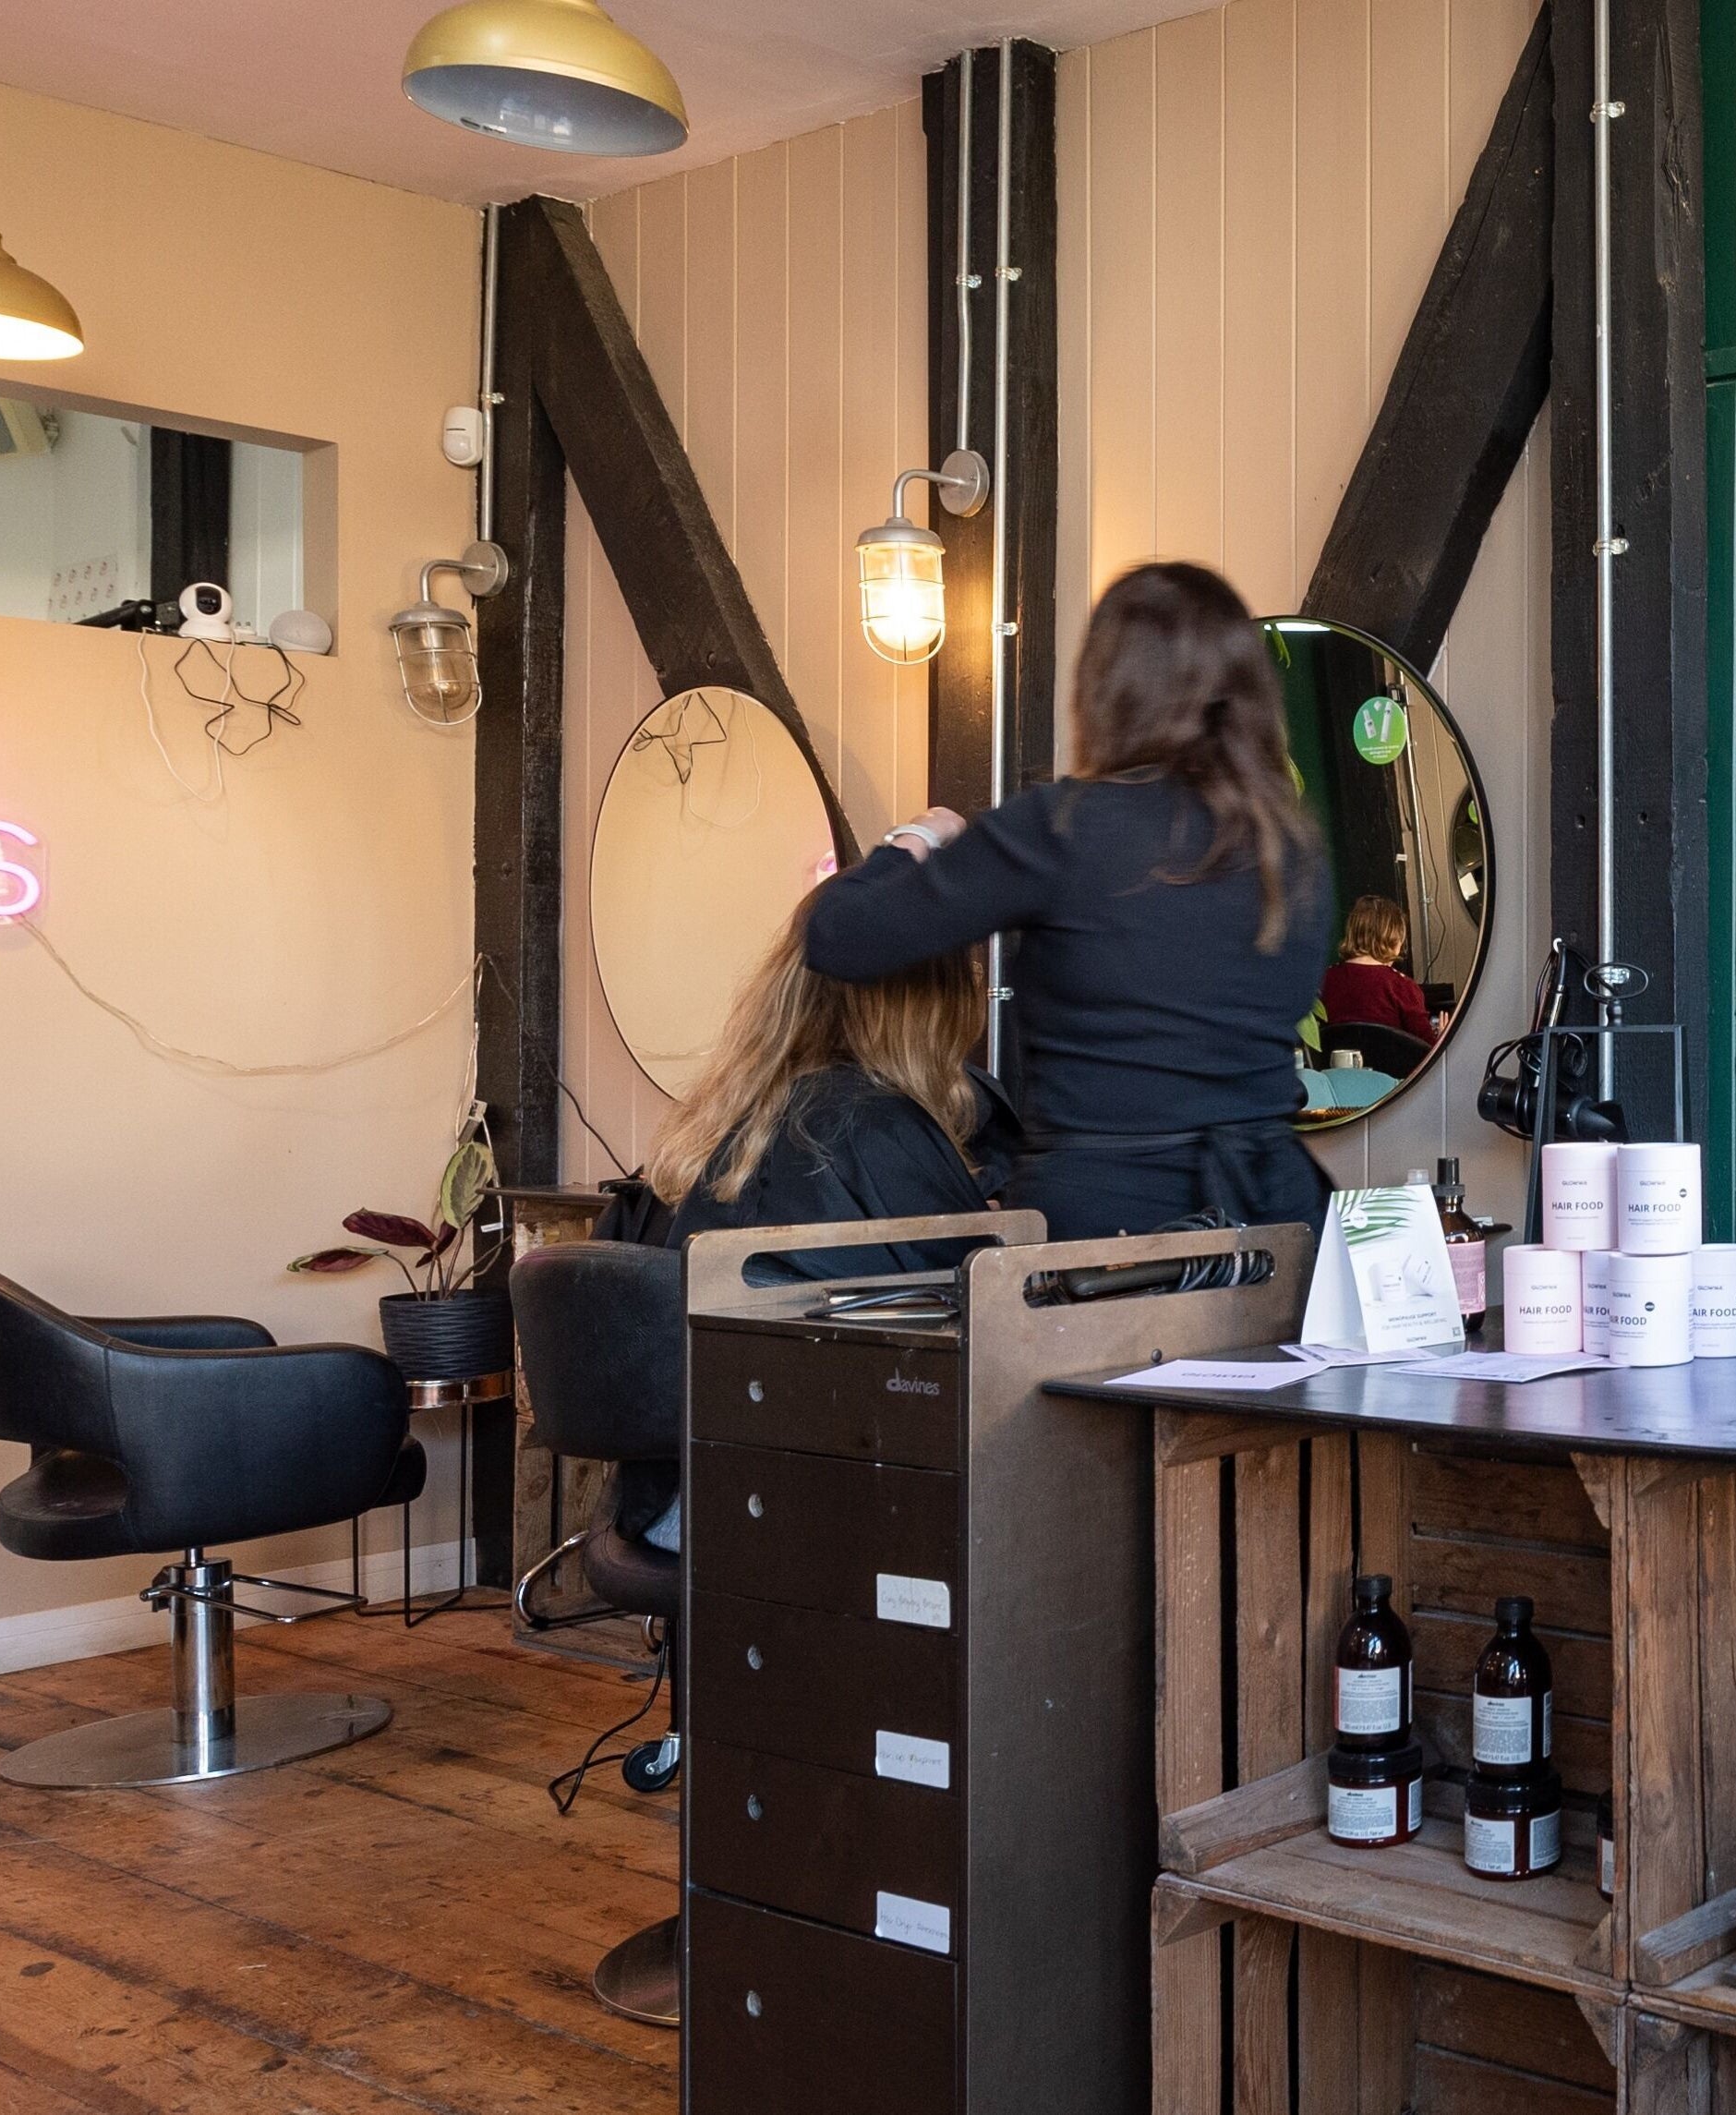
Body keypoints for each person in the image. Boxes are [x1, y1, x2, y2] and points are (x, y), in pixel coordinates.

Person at [804, 561, 1332, 1240]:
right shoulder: (1290, 849)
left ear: (1109, 688)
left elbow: (837, 936)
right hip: (1280, 1220)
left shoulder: (1062, 828)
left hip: (1109, 1232)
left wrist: (915, 838)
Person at [597, 889, 1008, 1553]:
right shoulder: (871, 1122)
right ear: (930, 1008)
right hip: (769, 1502)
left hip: (677, 1492)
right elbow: (993, 1306)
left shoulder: (731, 1117)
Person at [1318, 895, 1439, 1045]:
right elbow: (1429, 1050)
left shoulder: (1323, 980)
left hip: (1333, 1068)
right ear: (1394, 940)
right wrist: (1444, 1036)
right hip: (1394, 1069)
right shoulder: (1402, 987)